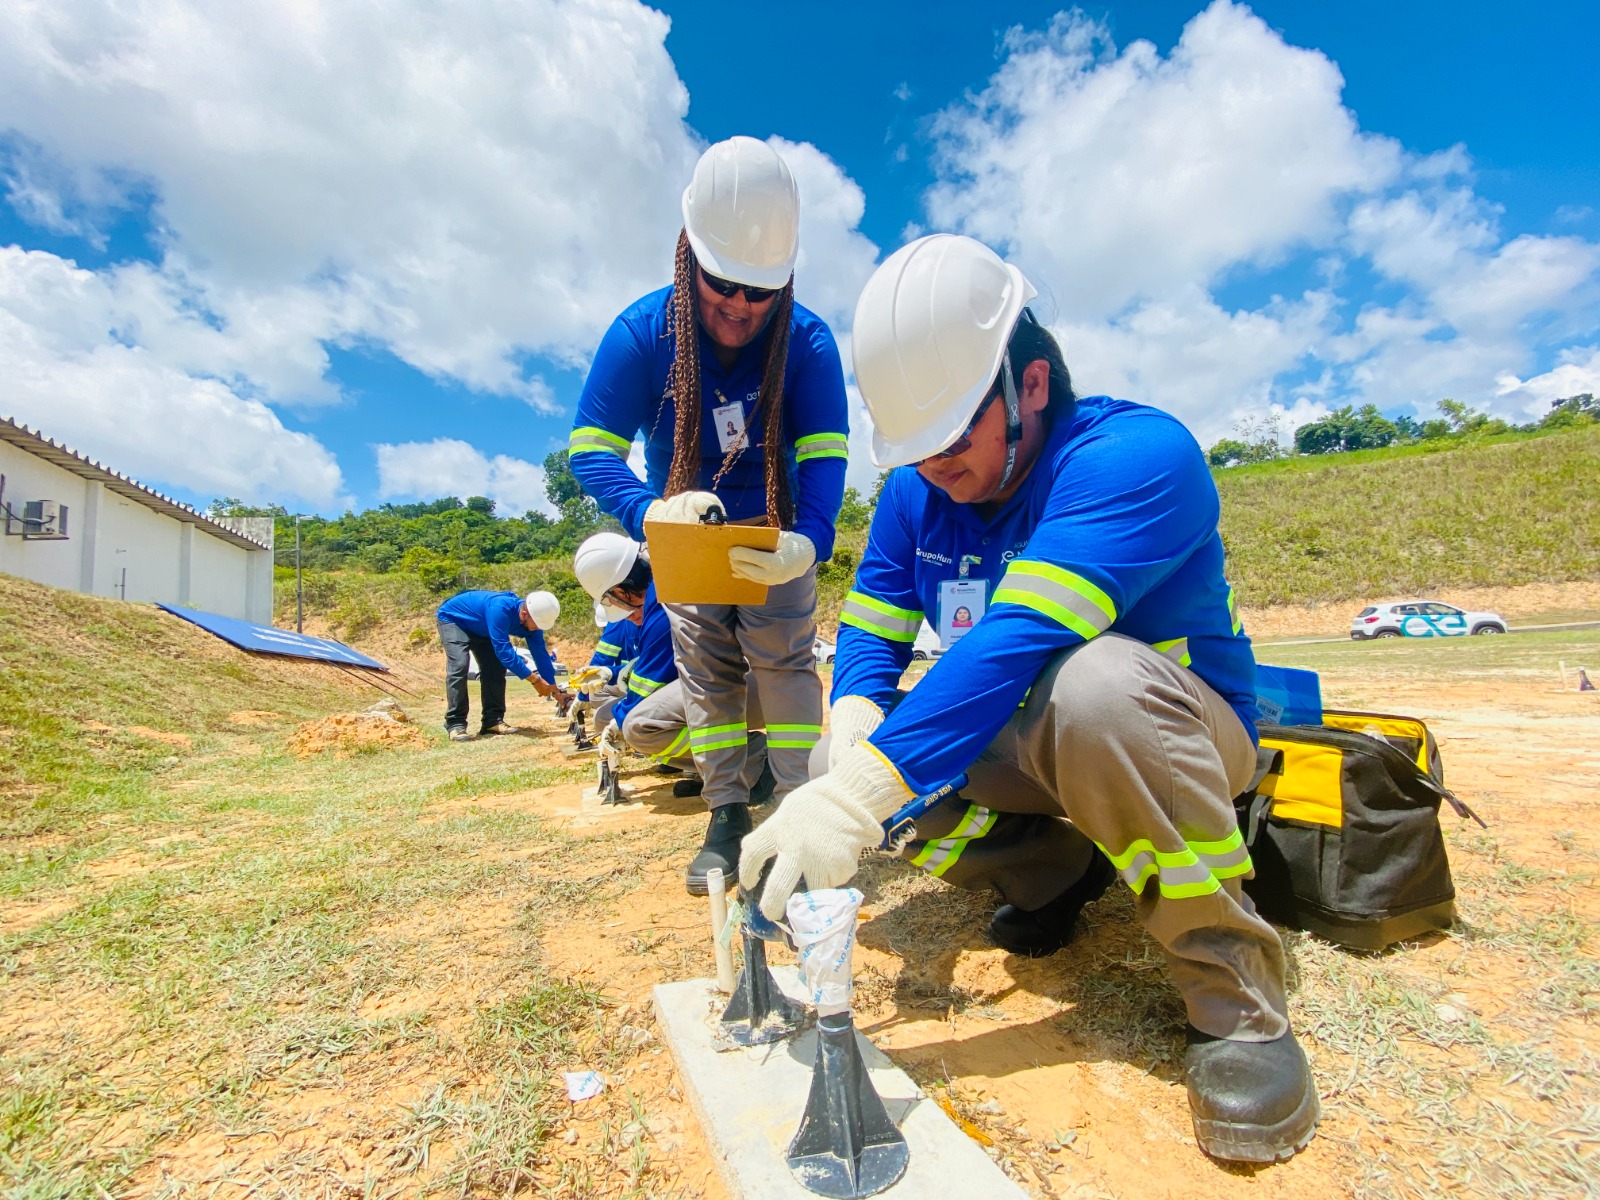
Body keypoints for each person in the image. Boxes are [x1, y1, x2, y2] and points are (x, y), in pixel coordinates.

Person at [740, 235, 1318, 1164]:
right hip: (1020, 735)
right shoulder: (913, 496)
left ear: (1032, 384)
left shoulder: (1136, 457)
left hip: (1165, 735)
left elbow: (1020, 641)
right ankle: (1051, 872)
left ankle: (1238, 1003)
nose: (933, 466)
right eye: (915, 448)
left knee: (1091, 685)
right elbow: (872, 637)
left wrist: (861, 796)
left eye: (951, 436)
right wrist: (850, 728)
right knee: (850, 751)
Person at [569, 137, 847, 892]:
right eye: (724, 283)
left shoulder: (808, 344)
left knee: (786, 671)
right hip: (686, 539)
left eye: (761, 291)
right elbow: (590, 450)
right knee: (706, 675)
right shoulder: (643, 333)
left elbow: (826, 457)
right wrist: (653, 512)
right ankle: (726, 813)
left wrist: (809, 542)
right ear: (688, 252)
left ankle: (797, 812)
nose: (740, 306)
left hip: (775, 537)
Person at [572, 533, 773, 801]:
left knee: (640, 727)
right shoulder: (669, 580)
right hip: (758, 681)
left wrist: (617, 721)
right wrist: (613, 675)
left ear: (620, 590)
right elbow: (661, 666)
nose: (626, 615)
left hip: (752, 686)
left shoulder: (663, 601)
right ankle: (714, 773)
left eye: (616, 603)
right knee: (643, 718)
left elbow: (649, 681)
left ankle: (755, 761)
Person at [435, 588, 567, 741]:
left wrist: (554, 689)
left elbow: (540, 655)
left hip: (483, 628)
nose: (538, 628)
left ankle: (492, 721)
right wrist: (534, 680)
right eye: (537, 624)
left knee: (495, 668)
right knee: (459, 665)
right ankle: (456, 724)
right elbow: (504, 652)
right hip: (454, 620)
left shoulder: (533, 622)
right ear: (524, 614)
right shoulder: (500, 608)